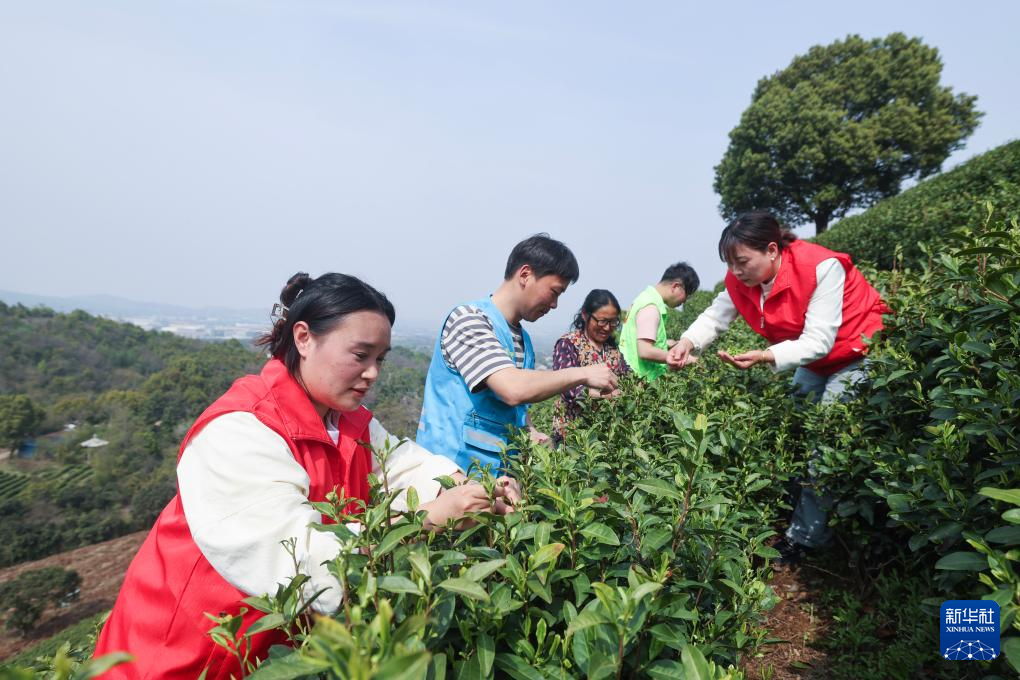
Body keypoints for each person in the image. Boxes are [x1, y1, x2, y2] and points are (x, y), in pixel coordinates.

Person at [93, 272, 520, 679]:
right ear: (303, 338)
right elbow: (296, 559)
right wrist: (423, 520)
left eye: (380, 359)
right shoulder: (239, 430)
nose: (373, 373)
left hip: (271, 660)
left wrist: (472, 488)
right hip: (178, 661)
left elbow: (407, 466)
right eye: (360, 355)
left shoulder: (347, 421)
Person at [668, 211, 890, 561]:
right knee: (796, 429)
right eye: (730, 263)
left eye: (742, 261)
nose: (736, 272)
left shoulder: (821, 267)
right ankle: (794, 512)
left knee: (825, 445)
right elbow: (716, 315)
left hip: (856, 351)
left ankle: (807, 540)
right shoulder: (741, 278)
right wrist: (687, 342)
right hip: (814, 359)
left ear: (772, 250)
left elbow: (819, 339)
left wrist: (766, 355)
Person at [417, 234, 619, 474]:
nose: (554, 304)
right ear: (525, 274)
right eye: (554, 291)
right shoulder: (470, 320)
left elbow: (516, 406)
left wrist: (530, 431)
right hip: (451, 474)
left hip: (495, 481)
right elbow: (512, 389)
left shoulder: (524, 341)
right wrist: (583, 373)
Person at [551, 289, 630, 444]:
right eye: (602, 321)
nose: (607, 328)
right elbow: (567, 388)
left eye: (613, 322)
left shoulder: (613, 350)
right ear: (585, 315)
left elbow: (628, 381)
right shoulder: (569, 344)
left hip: (607, 434)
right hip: (573, 433)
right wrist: (609, 394)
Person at [618, 262, 700, 381]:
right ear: (676, 286)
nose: (685, 300)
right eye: (687, 294)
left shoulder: (643, 299)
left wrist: (667, 343)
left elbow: (638, 339)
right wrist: (682, 359)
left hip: (630, 379)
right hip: (640, 384)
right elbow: (645, 351)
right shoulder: (651, 308)